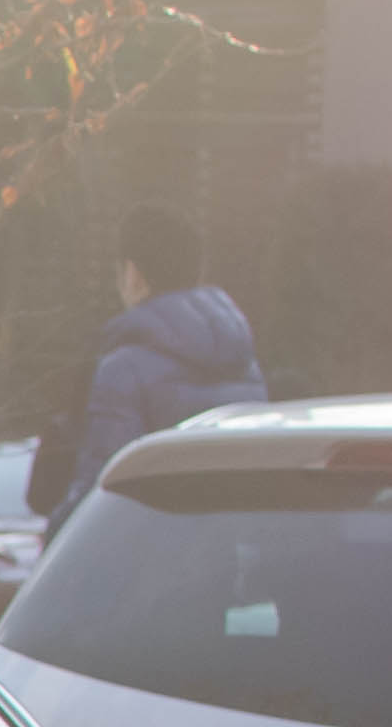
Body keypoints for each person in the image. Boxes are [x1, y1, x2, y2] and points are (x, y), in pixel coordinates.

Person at [44, 207, 268, 523]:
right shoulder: (245, 365)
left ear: (133, 275)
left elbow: (102, 489)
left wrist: (54, 537)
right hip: (227, 550)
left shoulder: (124, 370)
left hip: (155, 553)